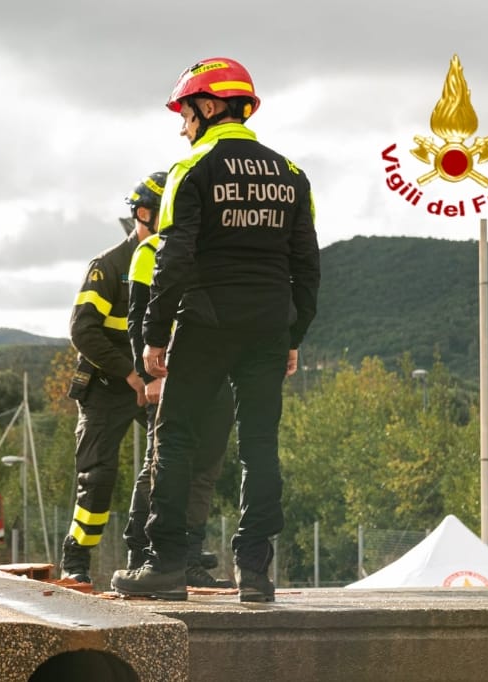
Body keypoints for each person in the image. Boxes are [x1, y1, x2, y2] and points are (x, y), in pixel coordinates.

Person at [111, 57, 320, 602]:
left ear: (208, 106)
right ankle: (255, 573)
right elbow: (307, 266)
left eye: (184, 113)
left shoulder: (191, 170)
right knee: (259, 446)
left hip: (204, 324)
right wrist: (293, 337)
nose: (182, 127)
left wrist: (155, 337)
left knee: (176, 439)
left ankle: (165, 565)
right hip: (269, 327)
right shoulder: (293, 176)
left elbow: (172, 260)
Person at [58, 173, 162, 583]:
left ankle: (147, 552)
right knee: (97, 478)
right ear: (142, 214)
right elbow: (82, 330)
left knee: (171, 464)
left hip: (157, 385)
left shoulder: (174, 264)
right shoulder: (110, 266)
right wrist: (131, 373)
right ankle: (77, 561)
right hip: (106, 386)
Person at [123, 226, 234, 589]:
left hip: (216, 368)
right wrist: (149, 376)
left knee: (206, 466)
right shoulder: (150, 249)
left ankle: (188, 558)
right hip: (169, 371)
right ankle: (141, 552)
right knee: (160, 463)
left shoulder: (217, 243)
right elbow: (139, 316)